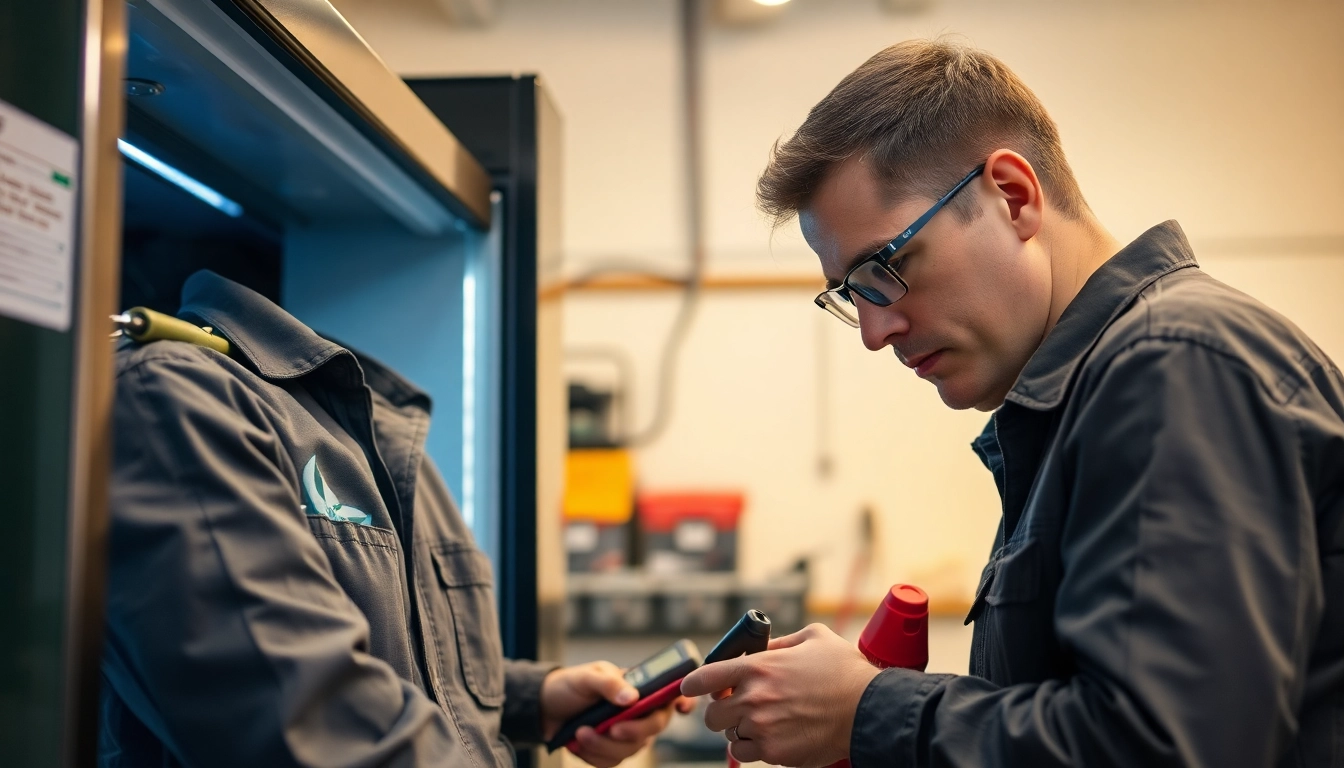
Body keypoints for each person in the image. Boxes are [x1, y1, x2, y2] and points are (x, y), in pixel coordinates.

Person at [680, 39, 1344, 768]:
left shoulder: (1174, 366)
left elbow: (1168, 747)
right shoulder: (1092, 399)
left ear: (1013, 196)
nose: (874, 330)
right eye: (850, 294)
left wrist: (870, 711)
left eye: (885, 268)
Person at [100, 270, 689, 767]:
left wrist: (533, 698)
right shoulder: (175, 400)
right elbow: (305, 719)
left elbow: (413, 659)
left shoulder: (382, 431)